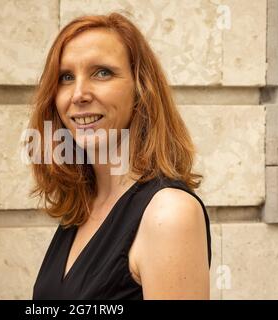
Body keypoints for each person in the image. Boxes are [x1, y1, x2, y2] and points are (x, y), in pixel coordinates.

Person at [27, 12, 212, 300]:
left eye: (102, 72)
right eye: (65, 77)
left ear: (142, 90)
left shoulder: (168, 213)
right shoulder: (83, 207)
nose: (78, 94)